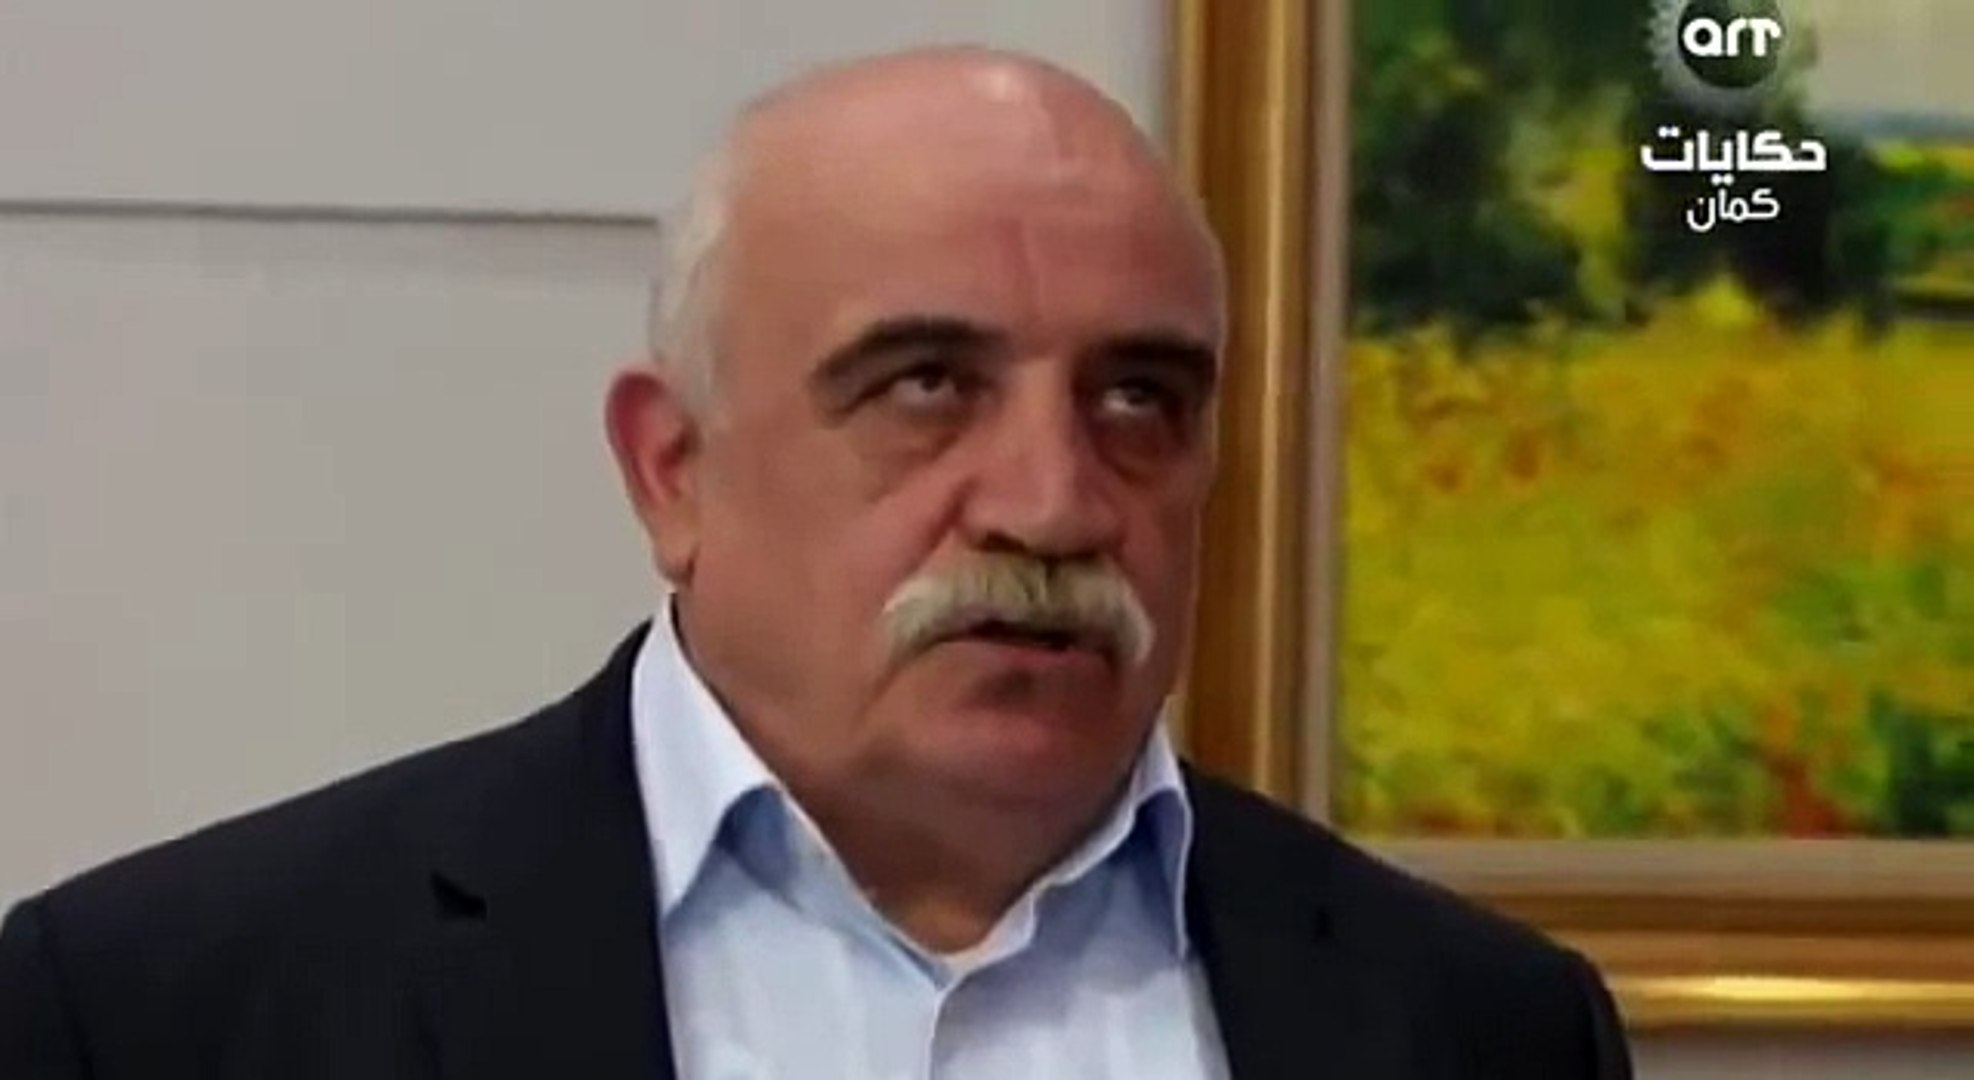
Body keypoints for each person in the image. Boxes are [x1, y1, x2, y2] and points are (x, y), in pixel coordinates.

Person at [0, 47, 1632, 1079]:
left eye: (1139, 399)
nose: (1053, 505)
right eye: (924, 386)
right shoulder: (163, 1012)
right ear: (673, 468)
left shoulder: (1480, 1032)